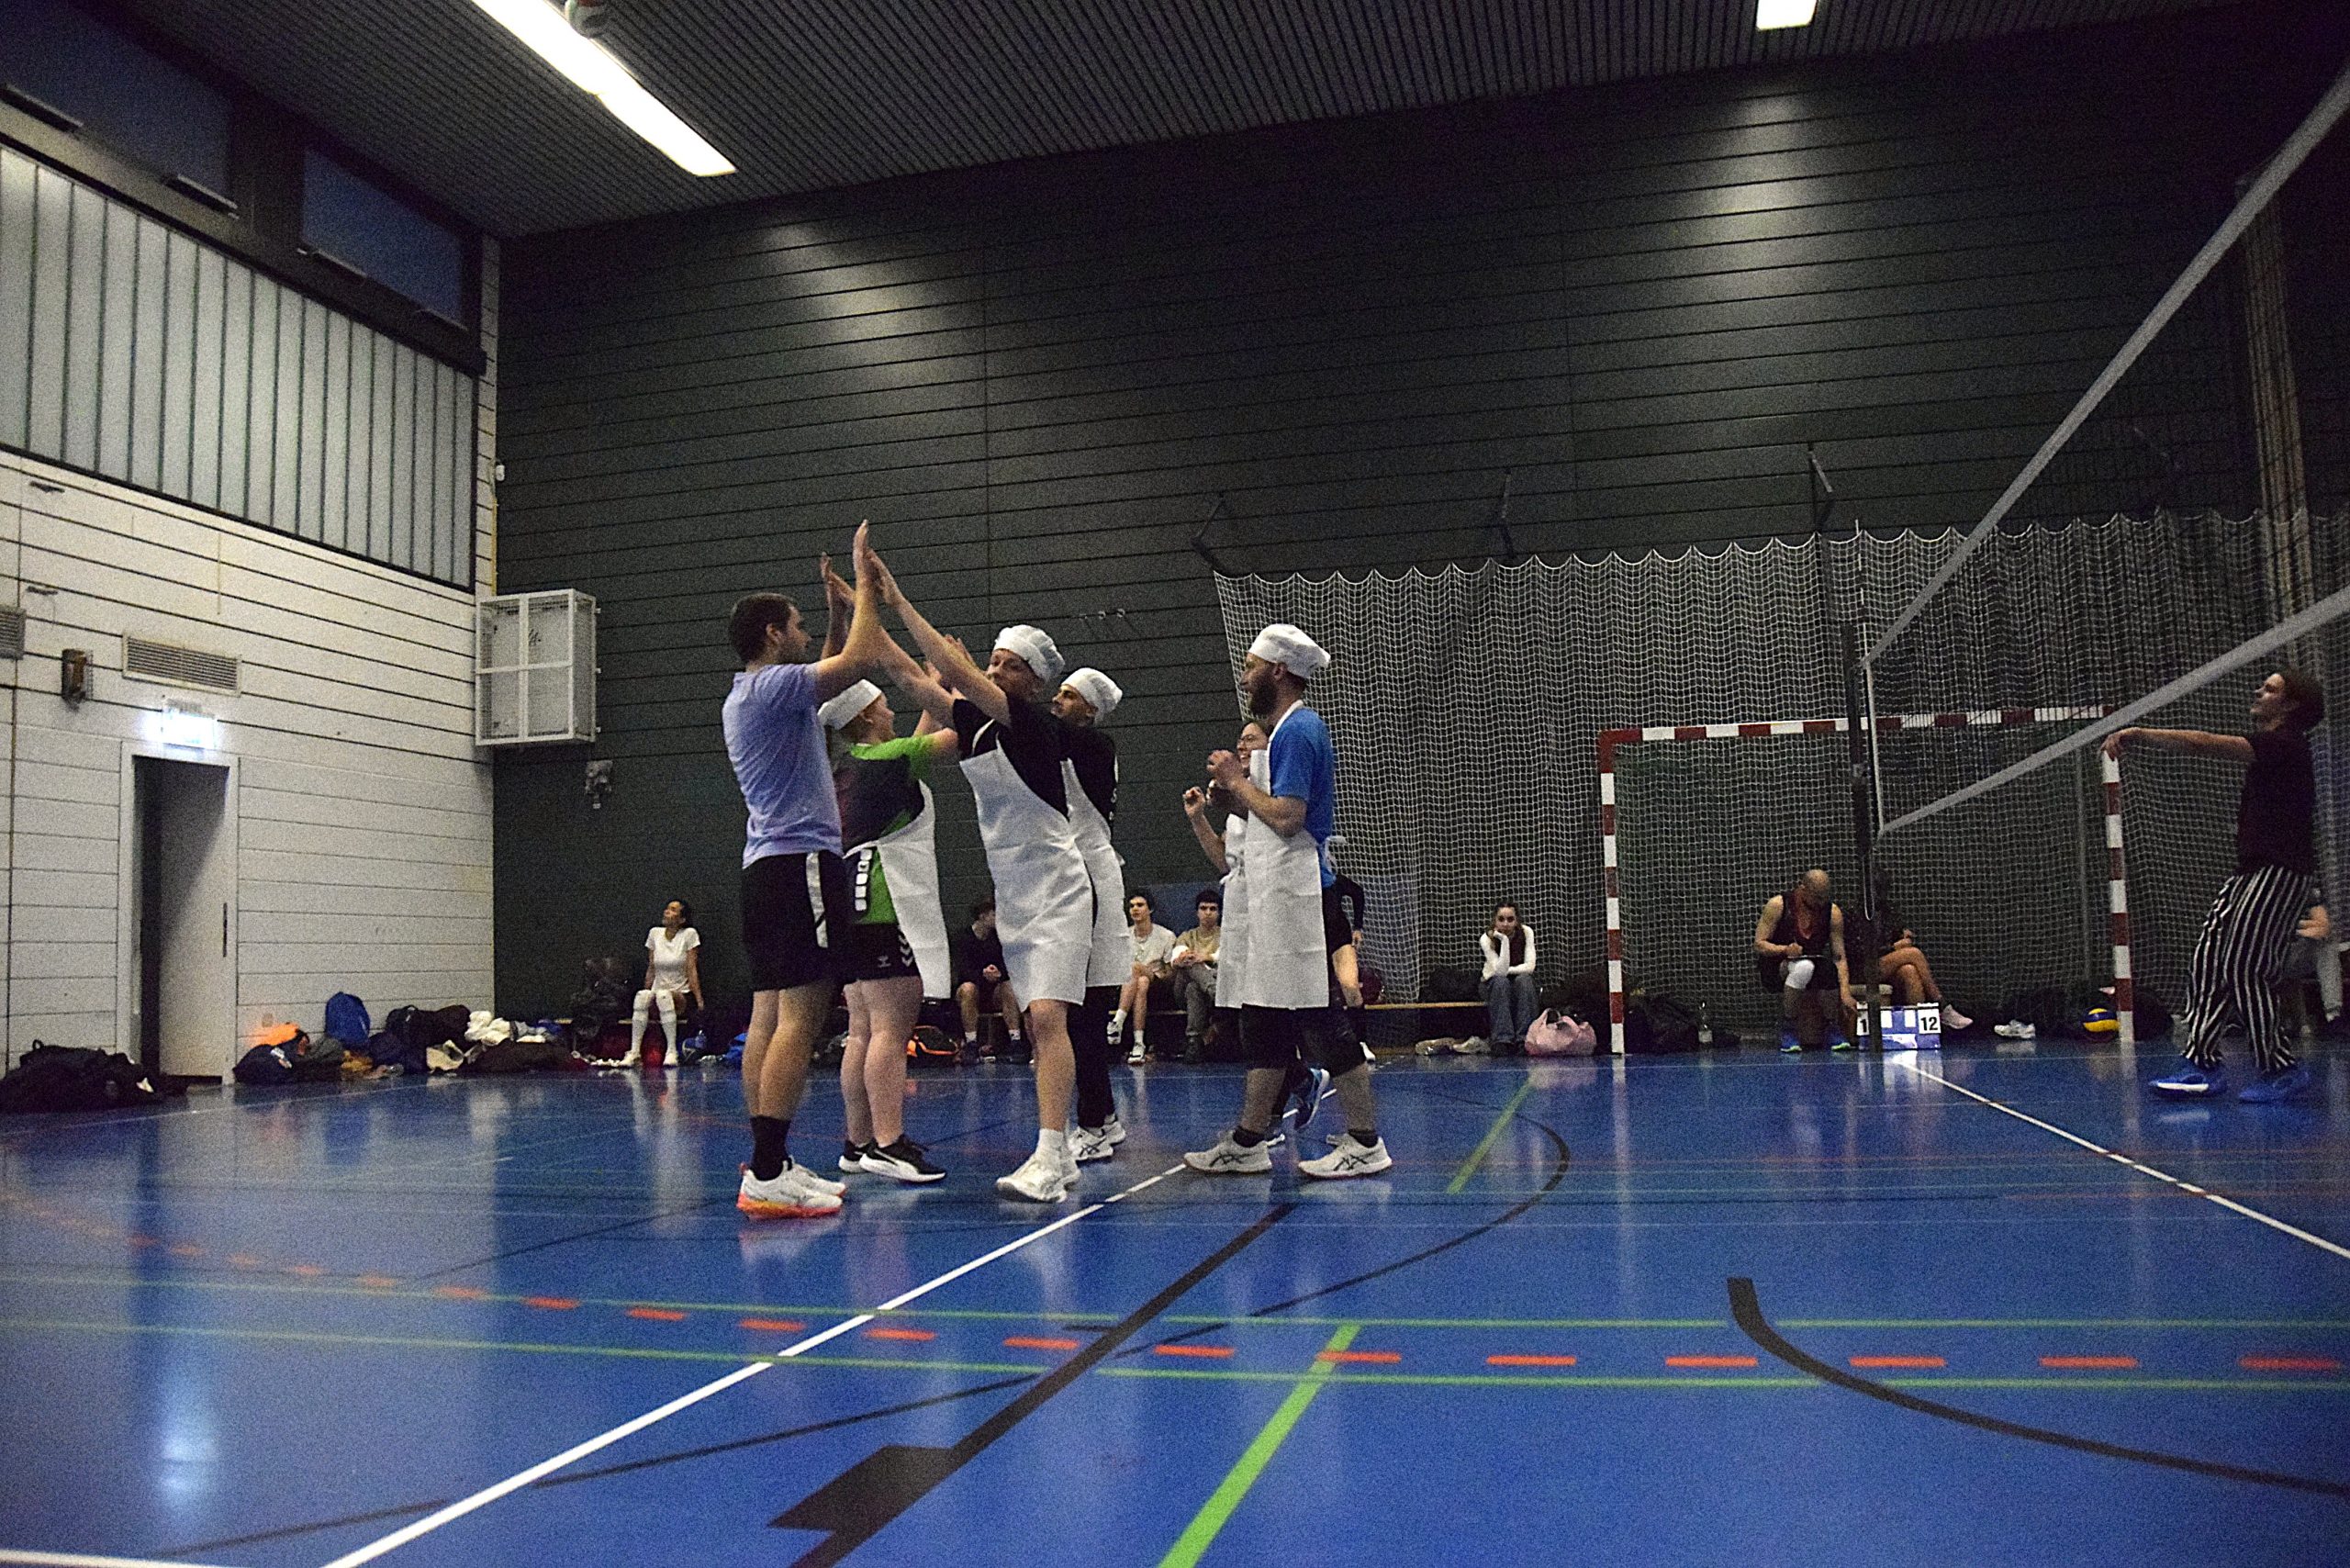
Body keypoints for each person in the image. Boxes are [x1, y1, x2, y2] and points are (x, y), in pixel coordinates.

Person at [863, 537, 1091, 1201]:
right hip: (1014, 893)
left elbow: (947, 668)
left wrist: (899, 600)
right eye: (993, 660)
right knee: (1040, 1017)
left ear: (1034, 682)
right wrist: (866, 610)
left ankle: (1050, 1152)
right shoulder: (977, 728)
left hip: (1057, 887)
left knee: (1046, 1017)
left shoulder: (1032, 724)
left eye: (1009, 665)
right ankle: (1059, 1155)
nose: (995, 670)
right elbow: (915, 679)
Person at [725, 525, 890, 1220]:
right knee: (803, 1014)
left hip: (765, 867)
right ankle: (767, 1172)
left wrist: (832, 613)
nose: (799, 635)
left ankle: (770, 1161)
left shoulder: (751, 693)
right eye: (793, 625)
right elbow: (857, 663)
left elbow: (828, 665)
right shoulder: (773, 689)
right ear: (772, 634)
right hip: (800, 865)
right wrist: (867, 583)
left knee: (768, 1015)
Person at [1187, 624, 1389, 1179]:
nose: (1245, 677)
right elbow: (1269, 811)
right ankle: (1249, 1140)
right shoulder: (1282, 733)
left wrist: (1236, 780)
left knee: (1320, 1019)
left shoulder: (1299, 731)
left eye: (1251, 666)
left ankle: (1365, 1142)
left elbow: (1288, 817)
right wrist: (1234, 795)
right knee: (1265, 1019)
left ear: (1278, 670)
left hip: (1299, 896)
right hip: (1274, 897)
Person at [2107, 667, 2326, 1102]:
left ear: (2291, 705)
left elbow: (2202, 743)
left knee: (2247, 968)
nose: (2259, 692)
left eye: (2271, 689)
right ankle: (2201, 1064)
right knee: (2208, 958)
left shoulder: (2285, 745)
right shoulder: (2276, 748)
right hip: (2249, 871)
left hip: (2279, 873)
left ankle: (2280, 1067)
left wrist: (2141, 734)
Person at [820, 671, 954, 1183]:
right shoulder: (889, 759)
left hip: (850, 902)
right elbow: (958, 734)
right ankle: (888, 1144)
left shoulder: (852, 766)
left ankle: (857, 1143)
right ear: (866, 715)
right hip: (884, 898)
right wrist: (956, 689)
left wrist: (934, 687)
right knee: (891, 1030)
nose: (893, 710)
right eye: (884, 703)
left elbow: (910, 746)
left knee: (862, 1029)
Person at [1052, 666, 1133, 1160]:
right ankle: (1104, 1116)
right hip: (1077, 873)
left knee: (1083, 1015)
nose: (1056, 700)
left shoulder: (1093, 744)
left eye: (1068, 695)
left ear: (1090, 708)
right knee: (1081, 1015)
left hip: (1090, 877)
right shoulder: (1074, 744)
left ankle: (1093, 1125)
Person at [1754, 868, 1854, 1052]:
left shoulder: (1832, 912)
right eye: (1816, 897)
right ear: (1802, 889)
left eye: (1824, 897)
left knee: (1828, 969)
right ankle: (1788, 1026)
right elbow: (1759, 944)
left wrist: (1846, 993)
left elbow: (1839, 957)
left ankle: (1831, 1026)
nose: (1820, 903)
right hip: (1777, 965)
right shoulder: (1778, 905)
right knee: (1803, 967)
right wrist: (1785, 949)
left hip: (1813, 963)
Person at [1863, 870, 1974, 1032]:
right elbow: (1857, 951)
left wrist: (1903, 937)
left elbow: (1896, 934)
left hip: (1886, 965)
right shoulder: (1857, 913)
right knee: (1913, 954)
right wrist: (1893, 948)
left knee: (1910, 971)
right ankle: (1942, 1005)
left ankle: (1919, 1029)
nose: (1881, 895)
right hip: (1863, 967)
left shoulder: (1889, 911)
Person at [622, 899, 703, 1068]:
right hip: (658, 993)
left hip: (681, 994)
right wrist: (646, 992)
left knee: (664, 995)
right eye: (667, 908)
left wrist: (699, 1001)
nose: (667, 912)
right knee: (642, 996)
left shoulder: (689, 934)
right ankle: (634, 1052)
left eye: (673, 910)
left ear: (682, 919)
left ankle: (671, 1051)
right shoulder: (655, 934)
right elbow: (651, 968)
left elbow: (691, 968)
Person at [953, 898, 1024, 1058]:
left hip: (994, 991)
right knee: (968, 989)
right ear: (983, 916)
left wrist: (999, 974)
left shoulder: (999, 938)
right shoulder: (962, 937)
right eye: (994, 914)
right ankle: (971, 1043)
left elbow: (1009, 964)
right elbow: (962, 969)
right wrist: (983, 974)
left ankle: (1015, 1041)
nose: (998, 919)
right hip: (972, 989)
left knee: (1009, 986)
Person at [1118, 892, 1177, 1064]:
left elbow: (1171, 973)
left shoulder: (1166, 936)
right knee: (1141, 981)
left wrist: (1154, 973)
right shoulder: (1124, 936)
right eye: (1132, 906)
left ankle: (1118, 1020)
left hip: (1158, 985)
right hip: (1130, 987)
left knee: (1136, 968)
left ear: (1150, 909)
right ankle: (1138, 1043)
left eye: (1140, 905)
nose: (1135, 909)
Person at [1168, 890, 1224, 1063]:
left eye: (1213, 909)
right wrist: (1183, 959)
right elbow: (1177, 956)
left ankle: (1194, 1042)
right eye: (1203, 908)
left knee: (1194, 988)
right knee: (1190, 964)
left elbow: (1225, 957)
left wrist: (1206, 957)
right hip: (1186, 993)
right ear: (1197, 912)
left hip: (1211, 985)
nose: (1208, 913)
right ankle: (1214, 992)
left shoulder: (1226, 936)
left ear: (1219, 912)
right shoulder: (1187, 936)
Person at [1479, 902, 1538, 1056]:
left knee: (1524, 980)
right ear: (1494, 920)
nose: (1505, 924)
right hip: (1492, 984)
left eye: (1510, 919)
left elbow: (1530, 966)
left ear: (1517, 921)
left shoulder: (1527, 932)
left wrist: (1509, 971)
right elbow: (1499, 972)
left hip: (1518, 981)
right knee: (1501, 983)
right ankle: (1502, 1040)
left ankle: (1524, 1039)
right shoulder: (1486, 938)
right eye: (1501, 919)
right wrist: (1503, 940)